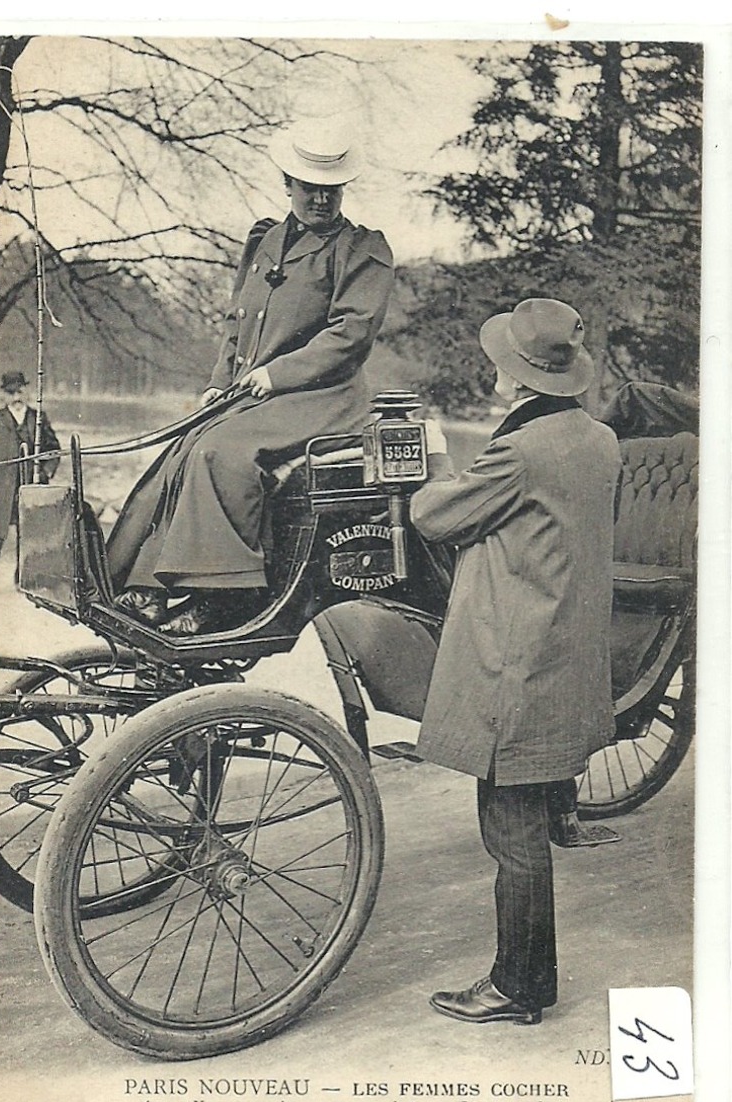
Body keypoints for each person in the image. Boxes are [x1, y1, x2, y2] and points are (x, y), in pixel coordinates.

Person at [410, 297, 622, 1026]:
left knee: (511, 828)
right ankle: (524, 980)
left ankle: (520, 985)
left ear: (513, 377)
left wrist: (431, 463)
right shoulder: (600, 439)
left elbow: (435, 516)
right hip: (565, 655)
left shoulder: (519, 449)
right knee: (526, 817)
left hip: (519, 663)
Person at [108, 116, 394, 634]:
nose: (321, 201)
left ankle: (224, 598)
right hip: (255, 391)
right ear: (288, 184)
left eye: (331, 191)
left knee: (223, 452)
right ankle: (148, 589)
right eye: (310, 189)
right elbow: (238, 322)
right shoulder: (265, 242)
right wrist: (221, 379)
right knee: (188, 445)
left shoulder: (361, 250)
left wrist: (277, 373)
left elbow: (350, 335)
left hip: (322, 395)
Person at [0, 370, 60, 587]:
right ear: (4, 395)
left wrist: (45, 473)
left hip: (29, 485)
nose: (16, 397)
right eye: (11, 393)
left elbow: (53, 449)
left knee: (28, 537)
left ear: (26, 391)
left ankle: (24, 583)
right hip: (0, 487)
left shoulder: (38, 418)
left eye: (19, 391)